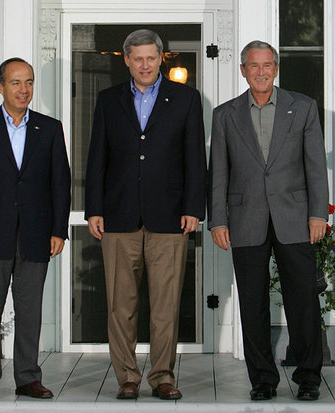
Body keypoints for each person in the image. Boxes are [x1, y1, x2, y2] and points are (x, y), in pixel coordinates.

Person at [85, 29, 206, 400]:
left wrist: (193, 208)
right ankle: (127, 377)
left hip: (169, 217)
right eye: (138, 58)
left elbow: (194, 159)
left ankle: (163, 376)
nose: (145, 65)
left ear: (161, 58)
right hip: (118, 217)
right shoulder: (108, 100)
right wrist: (94, 209)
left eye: (151, 57)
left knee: (166, 305)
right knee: (120, 305)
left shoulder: (186, 99)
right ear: (127, 61)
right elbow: (97, 159)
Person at [208, 40, 329, 401]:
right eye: (253, 66)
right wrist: (217, 219)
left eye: (267, 65)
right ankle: (262, 379)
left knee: (303, 301)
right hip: (246, 219)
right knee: (253, 303)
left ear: (275, 69)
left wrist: (317, 214)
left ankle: (309, 378)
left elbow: (316, 168)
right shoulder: (225, 114)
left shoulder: (303, 108)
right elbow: (219, 173)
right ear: (243, 70)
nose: (260, 72)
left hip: (295, 218)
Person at [0, 57, 71, 400]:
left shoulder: (50, 128)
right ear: (0, 86)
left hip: (36, 235)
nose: (24, 90)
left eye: (30, 82)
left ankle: (27, 377)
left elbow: (60, 184)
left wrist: (58, 230)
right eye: (17, 83)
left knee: (30, 311)